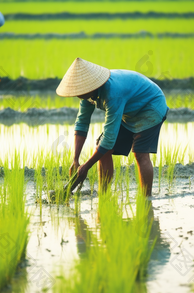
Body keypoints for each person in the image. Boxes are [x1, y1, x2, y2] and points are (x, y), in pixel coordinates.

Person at [56, 58, 168, 196]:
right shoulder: (87, 95)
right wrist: (76, 160)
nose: (78, 94)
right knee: (101, 148)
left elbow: (109, 139)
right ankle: (104, 194)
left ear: (91, 86)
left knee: (140, 153)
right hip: (130, 110)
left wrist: (86, 167)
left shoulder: (113, 93)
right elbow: (82, 122)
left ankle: (146, 198)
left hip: (151, 106)